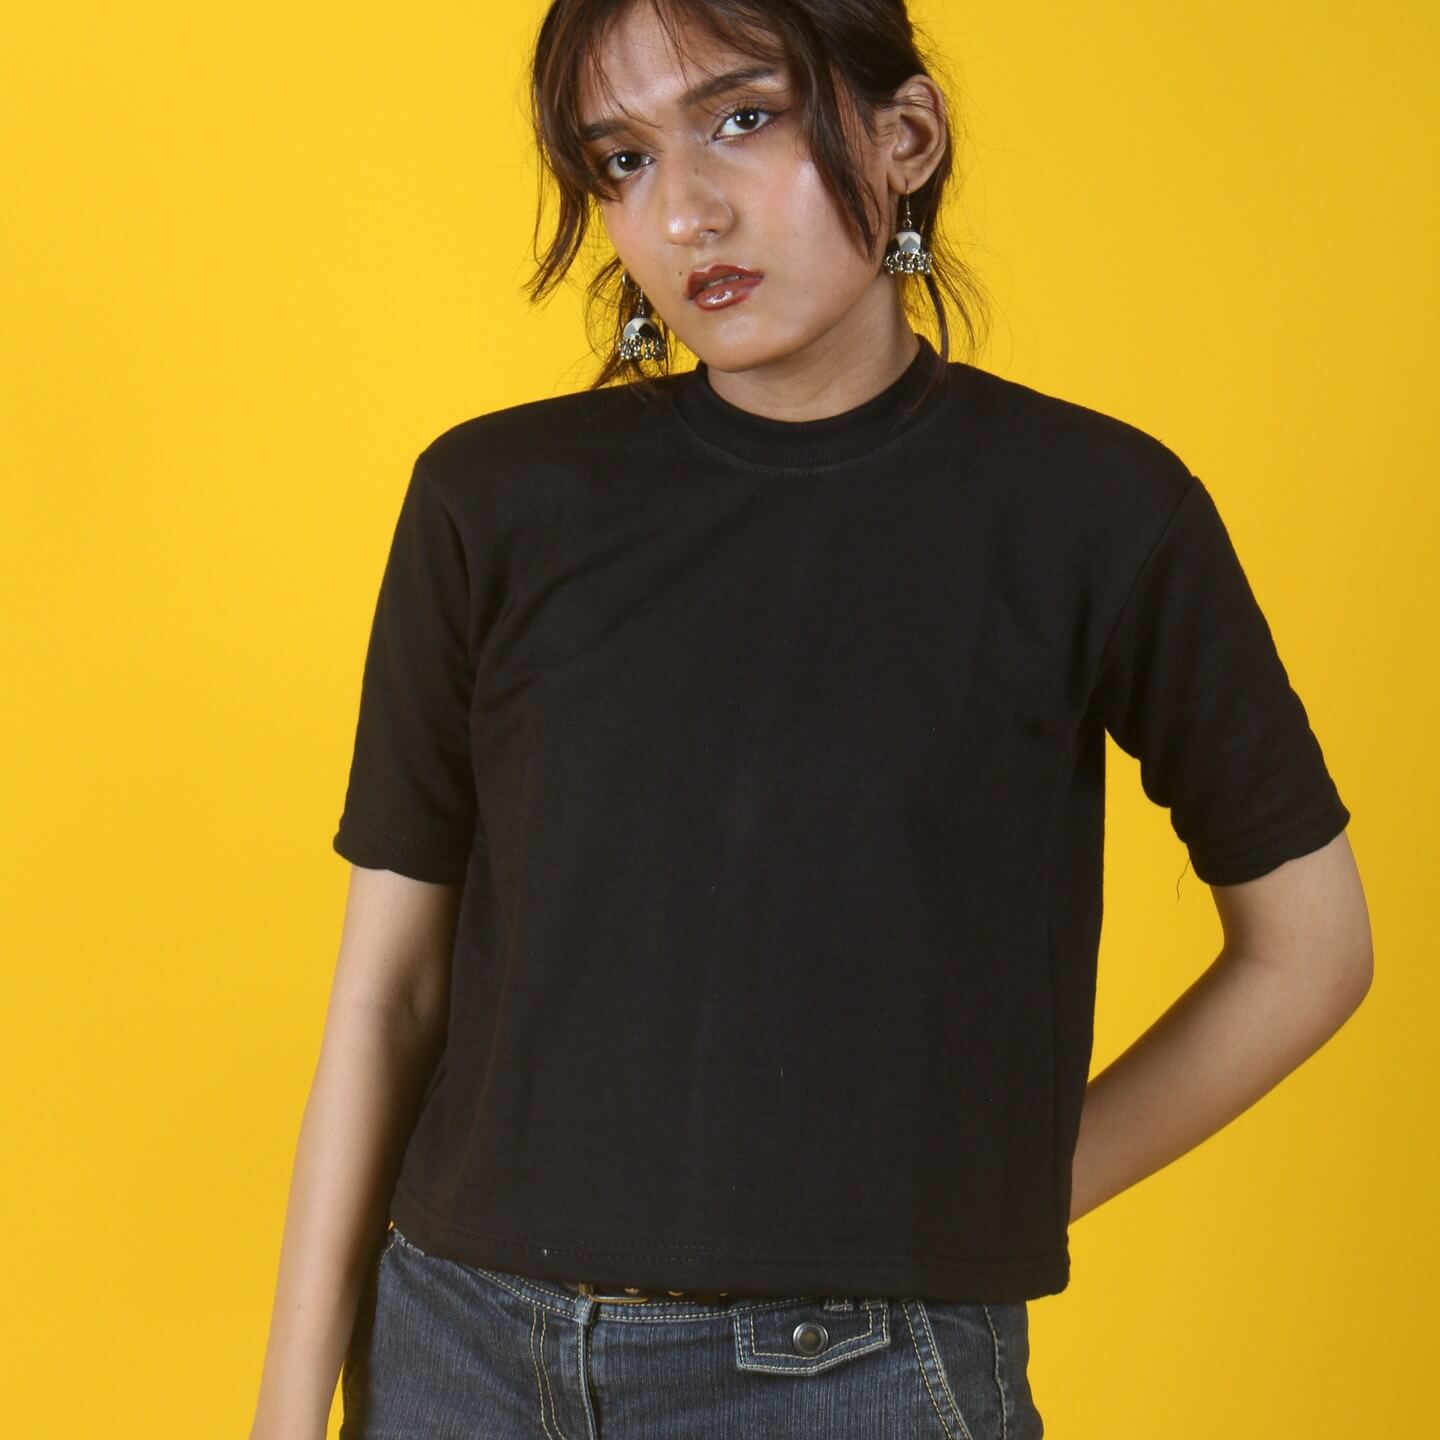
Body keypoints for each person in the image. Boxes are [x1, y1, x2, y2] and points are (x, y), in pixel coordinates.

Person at [249, 1, 1373, 1436]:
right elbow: (389, 994)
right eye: (621, 159)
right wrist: (287, 1410)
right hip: (455, 1351)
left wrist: (984, 1209)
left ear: (906, 135)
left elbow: (1312, 952)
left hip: (850, 1377)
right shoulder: (493, 503)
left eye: (742, 117)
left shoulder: (1097, 513)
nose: (687, 211)